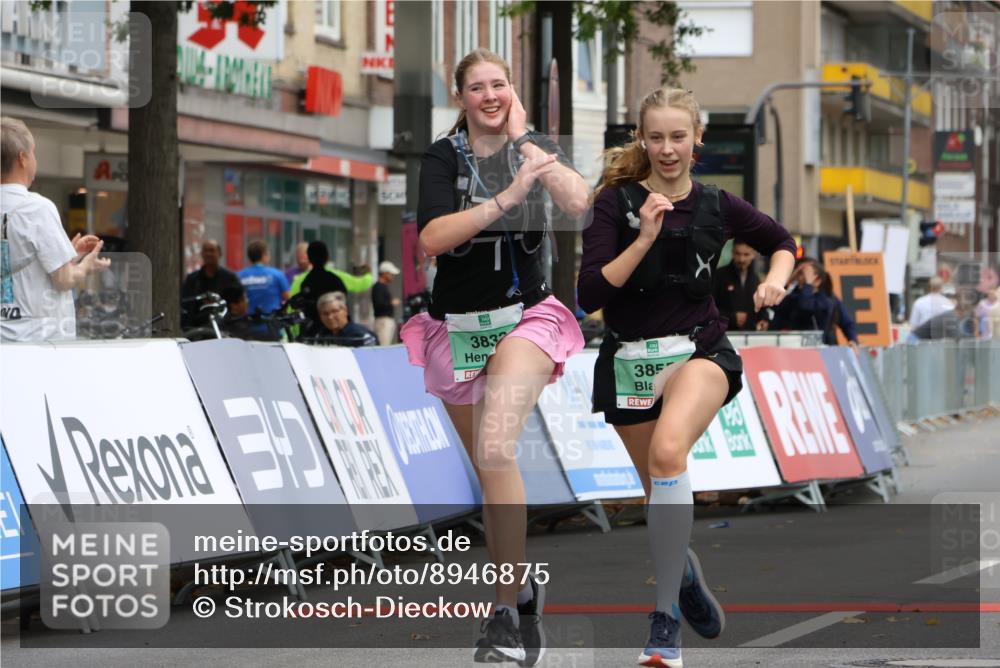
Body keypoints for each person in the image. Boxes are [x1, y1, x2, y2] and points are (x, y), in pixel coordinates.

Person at [577, 87, 795, 667]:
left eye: (679, 136)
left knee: (670, 454)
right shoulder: (613, 204)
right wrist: (644, 236)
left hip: (700, 353)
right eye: (656, 137)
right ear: (642, 141)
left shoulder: (718, 204)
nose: (668, 149)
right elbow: (590, 293)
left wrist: (777, 278)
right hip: (628, 362)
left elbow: (783, 242)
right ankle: (686, 575)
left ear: (698, 139)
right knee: (660, 497)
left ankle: (664, 623)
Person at [399, 48, 589, 665]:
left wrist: (527, 141)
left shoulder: (532, 146)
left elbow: (580, 203)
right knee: (490, 470)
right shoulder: (440, 157)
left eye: (499, 85)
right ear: (460, 98)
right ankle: (525, 587)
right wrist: (507, 197)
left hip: (526, 320)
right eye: (476, 87)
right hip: (455, 328)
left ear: (512, 92)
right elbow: (431, 239)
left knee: (495, 448)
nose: (489, 95)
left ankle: (503, 612)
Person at [1, 117, 110, 342]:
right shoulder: (37, 207)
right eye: (33, 153)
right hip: (40, 342)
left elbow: (15, 257)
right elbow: (63, 280)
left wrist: (69, 253)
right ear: (22, 158)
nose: (34, 160)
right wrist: (86, 266)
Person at [771, 259, 858, 348]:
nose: (800, 278)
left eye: (803, 275)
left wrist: (853, 339)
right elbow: (774, 304)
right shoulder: (794, 295)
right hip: (791, 347)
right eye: (799, 274)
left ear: (817, 280)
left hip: (817, 349)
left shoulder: (825, 300)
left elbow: (805, 306)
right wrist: (790, 280)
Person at [181, 239, 242, 329]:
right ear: (202, 254)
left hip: (225, 328)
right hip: (197, 329)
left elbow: (239, 305)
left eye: (212, 250)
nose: (208, 253)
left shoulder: (230, 278)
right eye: (206, 250)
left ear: (220, 253)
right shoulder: (192, 279)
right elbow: (185, 304)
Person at [712, 239, 768, 331]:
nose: (741, 259)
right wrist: (732, 317)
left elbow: (761, 306)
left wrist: (763, 319)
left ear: (753, 254)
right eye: (738, 254)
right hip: (724, 335)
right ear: (732, 253)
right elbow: (709, 307)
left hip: (749, 337)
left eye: (746, 254)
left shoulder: (755, 278)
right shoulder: (719, 276)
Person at [238, 240, 289, 339]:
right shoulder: (277, 275)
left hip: (247, 328)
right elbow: (288, 298)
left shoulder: (239, 276)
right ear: (264, 255)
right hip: (272, 328)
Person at [294, 241, 348, 326]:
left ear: (309, 258)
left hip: (311, 329)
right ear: (327, 257)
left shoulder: (306, 282)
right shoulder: (334, 280)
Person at [303, 291, 377, 346]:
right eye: (325, 314)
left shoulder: (360, 336)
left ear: (345, 311)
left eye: (334, 311)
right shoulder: (319, 336)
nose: (330, 317)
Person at [372, 260, 401, 345]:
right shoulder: (378, 287)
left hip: (386, 320)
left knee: (386, 345)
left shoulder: (382, 287)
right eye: (391, 274)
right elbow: (378, 303)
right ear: (385, 273)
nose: (392, 276)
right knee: (383, 346)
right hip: (383, 321)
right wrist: (391, 303)